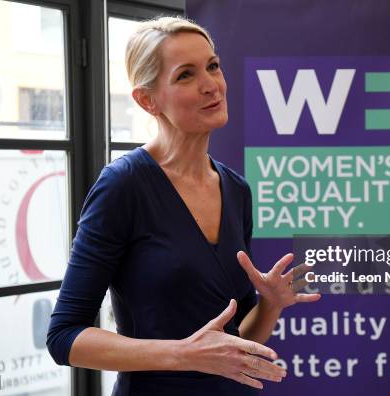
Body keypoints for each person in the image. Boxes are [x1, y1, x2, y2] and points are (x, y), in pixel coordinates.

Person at [46, 16, 320, 396]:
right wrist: (183, 354)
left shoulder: (236, 188)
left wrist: (270, 305)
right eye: (185, 75)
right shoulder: (123, 185)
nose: (211, 86)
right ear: (147, 100)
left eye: (212, 66)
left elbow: (234, 344)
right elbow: (64, 337)